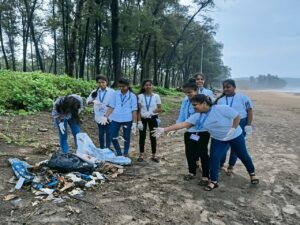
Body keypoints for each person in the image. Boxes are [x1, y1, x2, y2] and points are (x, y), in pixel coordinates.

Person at [152, 94, 259, 191]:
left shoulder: (221, 108)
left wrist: (233, 128)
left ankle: (252, 174)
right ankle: (213, 181)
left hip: (235, 135)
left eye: (195, 105)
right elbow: (183, 124)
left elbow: (237, 116)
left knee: (243, 155)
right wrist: (164, 129)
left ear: (204, 103)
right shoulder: (197, 116)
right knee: (214, 158)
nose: (193, 107)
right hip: (218, 139)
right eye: (193, 105)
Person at [170, 82, 210, 184]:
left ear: (196, 90)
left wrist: (183, 127)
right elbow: (182, 115)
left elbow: (205, 115)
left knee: (203, 153)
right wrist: (175, 128)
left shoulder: (203, 100)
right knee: (189, 152)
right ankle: (192, 172)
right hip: (189, 131)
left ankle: (205, 176)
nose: (188, 95)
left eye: (190, 92)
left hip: (202, 131)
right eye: (186, 93)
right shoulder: (186, 101)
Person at [215, 79, 253, 175]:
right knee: (224, 146)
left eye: (228, 87)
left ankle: (231, 166)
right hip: (225, 125)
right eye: (224, 87)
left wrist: (248, 125)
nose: (226, 89)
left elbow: (249, 111)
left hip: (241, 123)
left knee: (236, 147)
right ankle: (220, 165)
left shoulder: (243, 97)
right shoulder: (220, 100)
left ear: (234, 87)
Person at [103, 78, 138, 157]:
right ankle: (118, 152)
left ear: (128, 86)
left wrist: (134, 123)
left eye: (123, 87)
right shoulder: (115, 94)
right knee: (112, 136)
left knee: (126, 136)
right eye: (120, 87)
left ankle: (125, 152)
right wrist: (105, 117)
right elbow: (111, 106)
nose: (121, 88)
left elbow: (134, 110)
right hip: (116, 118)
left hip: (127, 119)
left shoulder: (132, 96)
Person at [86, 75, 115, 149]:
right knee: (101, 133)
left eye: (103, 82)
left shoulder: (112, 92)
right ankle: (102, 147)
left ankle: (108, 147)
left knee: (109, 132)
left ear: (106, 82)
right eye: (99, 82)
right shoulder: (94, 92)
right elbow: (87, 102)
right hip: (99, 115)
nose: (101, 84)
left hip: (109, 115)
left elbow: (115, 103)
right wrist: (93, 101)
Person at [137, 80, 162, 162]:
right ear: (143, 86)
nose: (148, 86)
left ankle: (154, 155)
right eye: (146, 85)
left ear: (152, 86)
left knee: (153, 136)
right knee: (142, 136)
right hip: (143, 117)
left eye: (149, 85)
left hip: (153, 117)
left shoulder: (156, 96)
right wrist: (139, 121)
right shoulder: (140, 96)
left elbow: (159, 108)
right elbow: (139, 109)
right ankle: (141, 154)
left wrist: (151, 112)